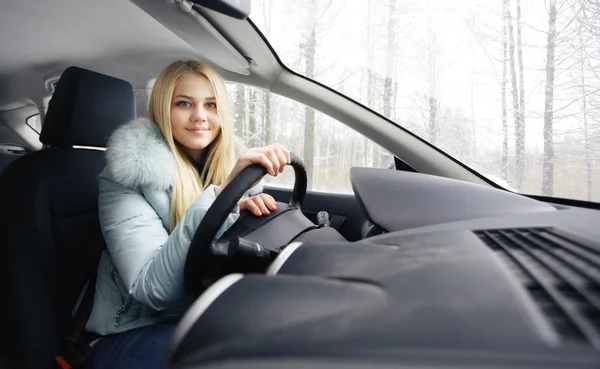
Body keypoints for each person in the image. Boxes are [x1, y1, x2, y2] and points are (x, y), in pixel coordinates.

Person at [86, 60, 291, 368]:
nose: (200, 116)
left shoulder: (227, 166)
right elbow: (153, 290)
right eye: (184, 103)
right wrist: (221, 198)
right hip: (131, 329)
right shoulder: (124, 177)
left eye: (211, 104)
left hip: (204, 313)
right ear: (162, 109)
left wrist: (240, 213)